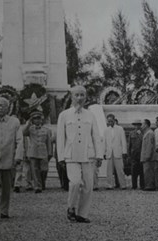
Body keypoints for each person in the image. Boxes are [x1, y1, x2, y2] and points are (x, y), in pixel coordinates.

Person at [57, 85, 103, 223]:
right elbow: (60, 138)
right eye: (77, 95)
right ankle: (71, 207)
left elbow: (95, 135)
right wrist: (60, 157)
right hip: (71, 155)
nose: (79, 98)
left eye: (82, 95)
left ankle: (82, 214)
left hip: (87, 154)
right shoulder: (64, 115)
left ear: (86, 97)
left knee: (88, 186)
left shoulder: (90, 115)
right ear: (72, 97)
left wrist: (99, 154)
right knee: (75, 182)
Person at [23, 111, 52, 193]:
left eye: (39, 118)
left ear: (41, 120)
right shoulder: (30, 129)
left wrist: (50, 152)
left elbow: (49, 142)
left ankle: (42, 183)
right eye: (35, 119)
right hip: (33, 151)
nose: (37, 120)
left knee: (44, 169)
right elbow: (23, 133)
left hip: (43, 152)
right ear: (33, 120)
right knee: (35, 170)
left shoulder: (46, 130)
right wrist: (28, 123)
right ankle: (37, 186)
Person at [104, 114, 127, 190]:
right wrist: (104, 152)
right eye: (109, 121)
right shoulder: (106, 130)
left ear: (114, 120)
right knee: (109, 170)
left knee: (120, 169)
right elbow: (104, 142)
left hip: (118, 151)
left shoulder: (120, 129)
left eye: (111, 121)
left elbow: (123, 141)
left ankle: (123, 185)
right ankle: (109, 185)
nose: (110, 122)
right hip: (109, 152)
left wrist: (124, 152)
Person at [128, 119, 144, 189]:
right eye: (135, 125)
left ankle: (142, 185)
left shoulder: (143, 133)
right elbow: (129, 145)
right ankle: (134, 185)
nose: (137, 126)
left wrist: (140, 134)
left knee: (142, 171)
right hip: (134, 154)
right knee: (133, 171)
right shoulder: (131, 133)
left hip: (141, 154)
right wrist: (129, 155)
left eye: (138, 125)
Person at [140, 119, 156, 191]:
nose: (141, 126)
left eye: (142, 124)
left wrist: (147, 155)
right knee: (146, 171)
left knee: (148, 171)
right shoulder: (147, 133)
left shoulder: (149, 133)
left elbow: (149, 145)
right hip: (146, 155)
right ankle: (148, 185)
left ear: (146, 125)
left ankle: (150, 186)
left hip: (148, 156)